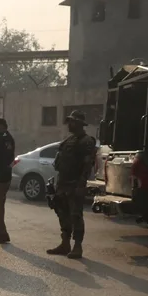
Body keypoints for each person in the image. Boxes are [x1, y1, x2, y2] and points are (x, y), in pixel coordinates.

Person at [48, 110, 97, 259]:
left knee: (76, 215)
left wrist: (81, 184)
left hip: (75, 184)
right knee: (62, 214)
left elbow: (87, 165)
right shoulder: (67, 141)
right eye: (69, 121)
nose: (69, 124)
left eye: (72, 121)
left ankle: (77, 246)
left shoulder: (86, 141)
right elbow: (58, 162)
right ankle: (65, 243)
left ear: (80, 123)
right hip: (62, 183)